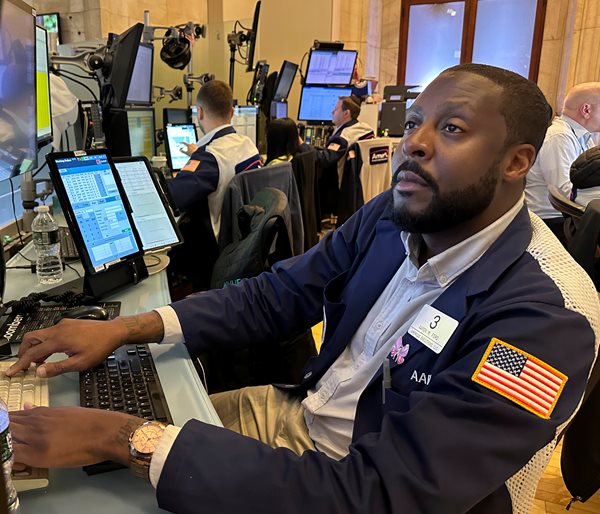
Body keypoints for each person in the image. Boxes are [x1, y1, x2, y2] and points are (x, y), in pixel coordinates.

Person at [8, 64, 600, 514]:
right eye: (414, 123)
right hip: (301, 412)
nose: (413, 144)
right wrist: (126, 328)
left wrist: (125, 439)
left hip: (353, 479)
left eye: (451, 128)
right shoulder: (392, 217)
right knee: (78, 459)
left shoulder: (547, 320)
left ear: (517, 162)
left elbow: (383, 494)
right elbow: (276, 295)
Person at [166, 80, 263, 291]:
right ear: (231, 112)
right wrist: (198, 155)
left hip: (215, 254)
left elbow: (173, 197)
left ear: (199, 112)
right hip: (246, 243)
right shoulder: (248, 145)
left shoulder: (210, 158)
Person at [525, 82, 600, 243]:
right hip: (550, 223)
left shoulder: (586, 135)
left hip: (567, 216)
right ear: (586, 110)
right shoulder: (559, 137)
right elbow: (565, 191)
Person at [314, 95, 375, 216]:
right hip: (365, 190)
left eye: (336, 109)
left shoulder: (344, 136)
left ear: (346, 113)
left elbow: (325, 159)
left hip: (340, 192)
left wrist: (302, 146)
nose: (332, 112)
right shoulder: (366, 129)